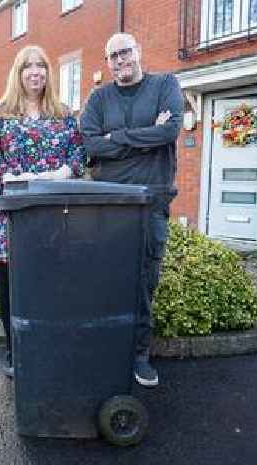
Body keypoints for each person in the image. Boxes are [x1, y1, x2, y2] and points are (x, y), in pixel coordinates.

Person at [80, 33, 183, 388]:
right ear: (107, 63)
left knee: (143, 282)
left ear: (138, 51)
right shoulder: (98, 97)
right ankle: (105, 349)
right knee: (103, 279)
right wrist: (143, 135)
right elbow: (90, 144)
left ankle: (139, 355)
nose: (120, 60)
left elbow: (169, 131)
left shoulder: (165, 84)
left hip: (151, 202)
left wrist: (117, 139)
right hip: (107, 204)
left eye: (125, 52)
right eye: (113, 56)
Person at [0, 45, 86, 377]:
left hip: (54, 215)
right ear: (18, 72)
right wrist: (14, 178)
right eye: (28, 66)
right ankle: (15, 352)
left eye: (41, 65)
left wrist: (57, 174)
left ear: (48, 72)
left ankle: (51, 349)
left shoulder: (65, 114)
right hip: (12, 216)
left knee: (53, 285)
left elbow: (77, 158)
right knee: (11, 286)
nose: (35, 71)